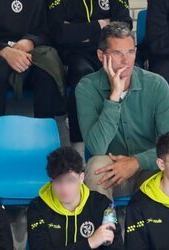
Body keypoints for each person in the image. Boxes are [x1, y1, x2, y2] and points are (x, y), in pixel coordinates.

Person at [75, 22, 169, 200]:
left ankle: (167, 226)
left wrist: (136, 162)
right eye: (118, 53)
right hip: (112, 168)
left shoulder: (156, 84)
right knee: (95, 168)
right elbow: (96, 147)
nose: (126, 60)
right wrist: (114, 97)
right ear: (101, 56)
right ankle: (105, 227)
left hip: (150, 167)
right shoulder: (87, 87)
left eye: (130, 52)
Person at [46, 0, 132, 150]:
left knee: (128, 74)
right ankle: (79, 147)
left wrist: (78, 31)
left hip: (110, 51)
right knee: (83, 77)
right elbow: (58, 33)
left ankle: (128, 138)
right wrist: (99, 25)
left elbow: (124, 25)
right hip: (75, 53)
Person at [27, 147, 123, 250]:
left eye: (70, 180)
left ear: (81, 178)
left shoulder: (101, 204)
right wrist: (90, 242)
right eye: (58, 181)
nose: (64, 188)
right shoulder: (38, 208)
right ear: (51, 180)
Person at [0, 0, 64, 118]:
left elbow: (47, 30)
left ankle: (44, 131)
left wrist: (31, 41)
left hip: (30, 50)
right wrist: (4, 50)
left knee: (47, 73)